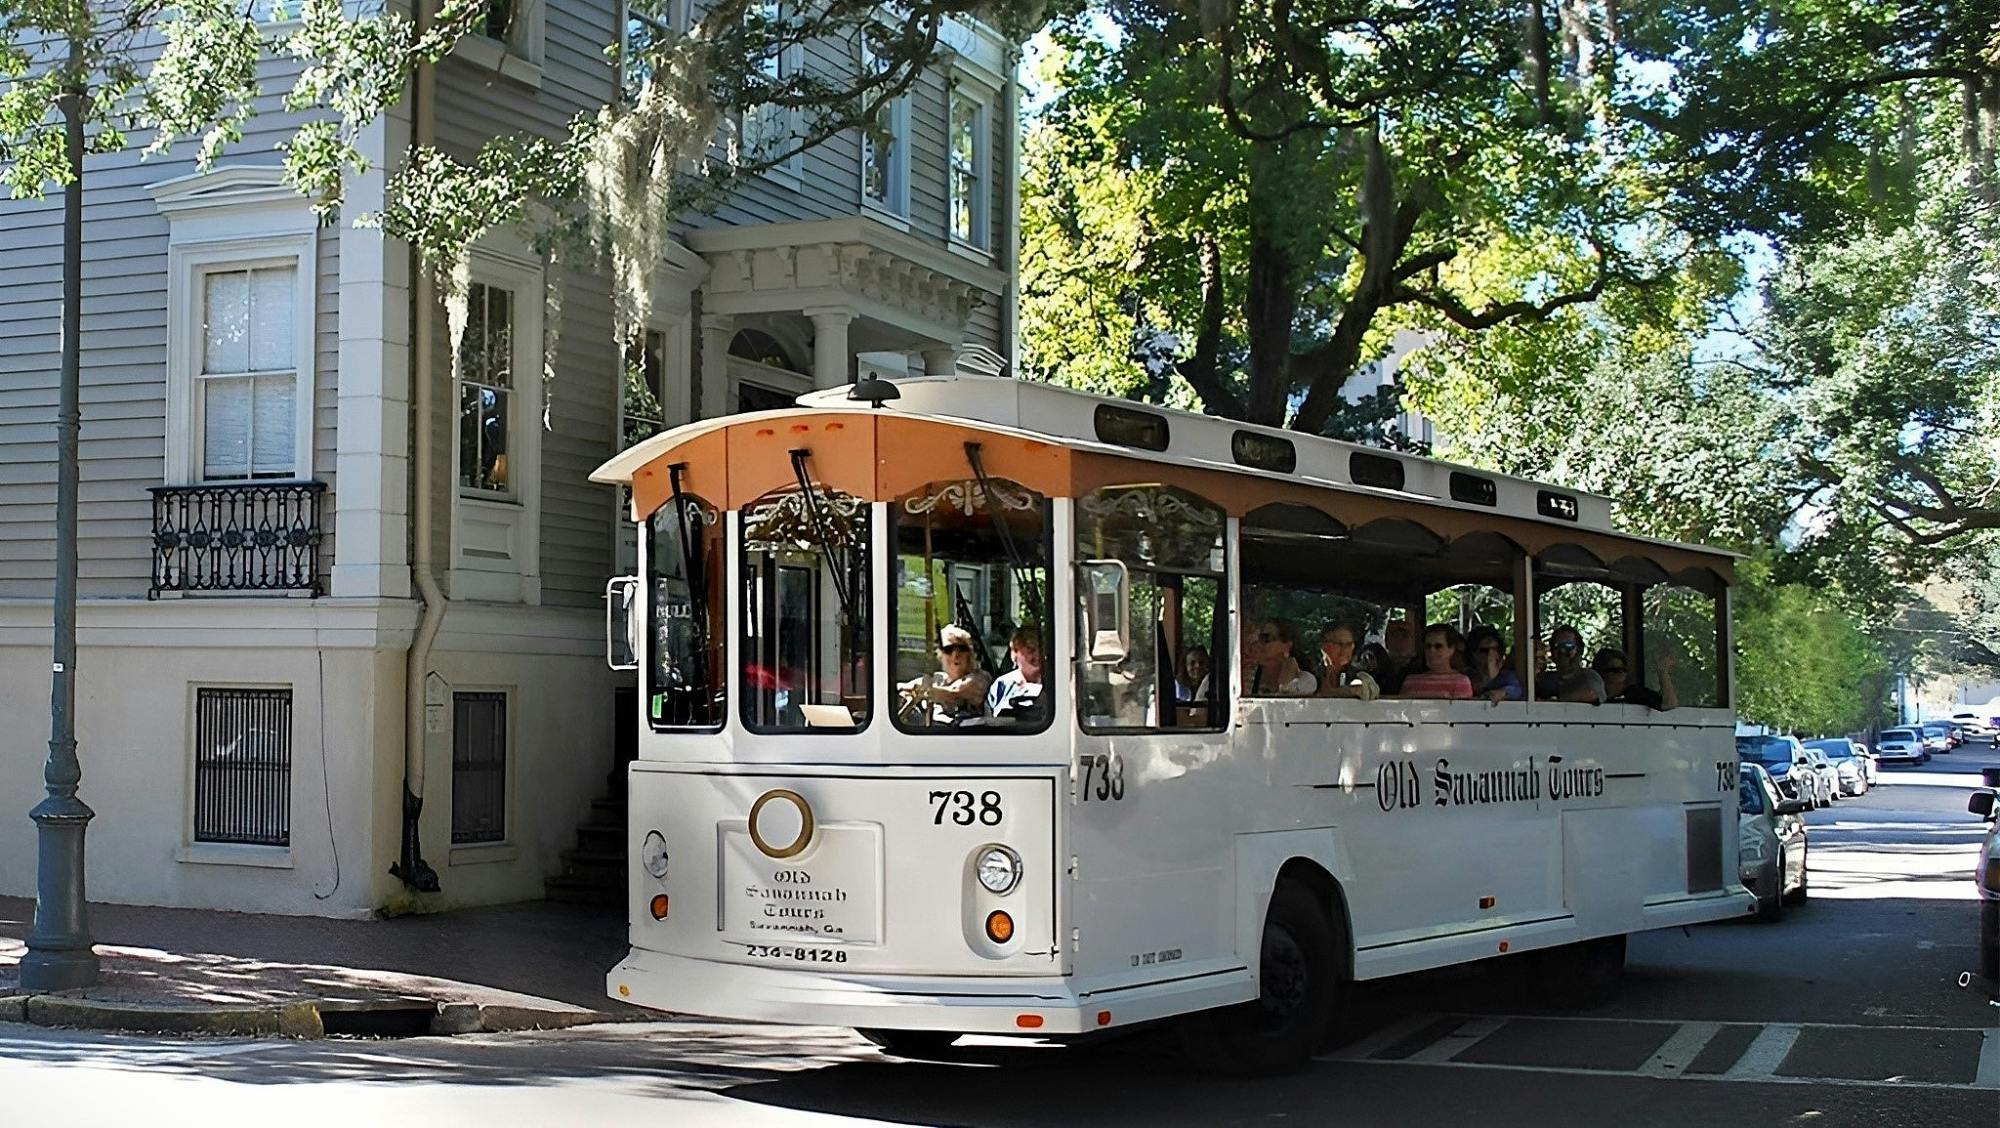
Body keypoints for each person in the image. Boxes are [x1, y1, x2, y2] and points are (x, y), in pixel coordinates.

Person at [900, 625, 992, 723]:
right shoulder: (938, 679)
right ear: (940, 655)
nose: (955, 654)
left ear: (970, 654)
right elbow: (905, 687)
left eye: (962, 649)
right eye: (948, 649)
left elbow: (955, 693)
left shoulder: (980, 678)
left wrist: (927, 691)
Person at [1399, 623, 1474, 699]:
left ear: (1451, 649)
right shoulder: (1410, 681)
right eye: (1428, 646)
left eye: (1438, 646)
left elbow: (1461, 710)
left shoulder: (1461, 682)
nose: (1432, 650)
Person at [1246, 619, 1317, 696]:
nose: (1258, 644)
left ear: (1287, 646)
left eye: (1266, 638)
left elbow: (1285, 705)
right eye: (1257, 639)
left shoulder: (1306, 680)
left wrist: (1287, 680)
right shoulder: (1248, 677)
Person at [1537, 625, 1605, 703]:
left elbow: (1592, 694)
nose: (1562, 651)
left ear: (1579, 650)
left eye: (1568, 646)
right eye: (1557, 646)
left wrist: (1555, 700)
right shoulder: (1546, 680)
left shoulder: (1589, 676)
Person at [1595, 647, 1678, 711]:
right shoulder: (1592, 694)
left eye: (1623, 670)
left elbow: (1669, 704)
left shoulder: (1634, 693)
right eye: (1615, 670)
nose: (1622, 673)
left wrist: (1662, 671)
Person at [987, 627, 1046, 715]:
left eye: (1041, 650)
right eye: (1030, 649)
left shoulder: (1055, 684)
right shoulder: (1001, 685)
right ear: (1015, 652)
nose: (1037, 655)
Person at [1316, 622, 1380, 701]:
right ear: (1323, 646)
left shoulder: (1359, 674)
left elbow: (1361, 686)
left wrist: (1356, 689)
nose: (1345, 649)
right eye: (1339, 644)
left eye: (1349, 644)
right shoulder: (1313, 672)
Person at [1465, 623, 1524, 702]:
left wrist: (1503, 692)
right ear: (1473, 653)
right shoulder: (1466, 675)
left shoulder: (1507, 676)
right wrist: (1488, 678)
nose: (1491, 654)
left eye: (1495, 649)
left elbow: (1517, 690)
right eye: (1484, 650)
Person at [1378, 619, 1418, 694]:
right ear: (1386, 641)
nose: (1399, 640)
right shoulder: (1377, 671)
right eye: (1394, 635)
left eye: (1405, 636)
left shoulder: (1421, 671)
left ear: (1414, 641)